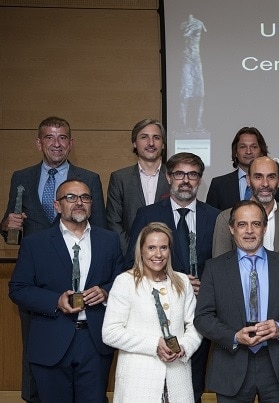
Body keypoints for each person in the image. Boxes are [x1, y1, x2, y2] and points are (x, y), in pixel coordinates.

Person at [1, 116, 106, 403]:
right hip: (39, 279)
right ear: (39, 143)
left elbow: (102, 233)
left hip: (83, 282)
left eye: (62, 138)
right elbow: (13, 225)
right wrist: (6, 225)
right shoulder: (21, 177)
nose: (56, 143)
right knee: (37, 352)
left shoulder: (90, 178)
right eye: (49, 137)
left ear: (71, 143)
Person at [8, 179, 123, 403]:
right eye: (70, 197)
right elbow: (18, 289)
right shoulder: (35, 243)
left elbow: (122, 281)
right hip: (51, 341)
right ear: (57, 205)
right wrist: (55, 300)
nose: (79, 202)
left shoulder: (109, 241)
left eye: (85, 197)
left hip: (94, 343)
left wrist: (106, 292)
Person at [126, 152, 220, 403]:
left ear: (200, 179)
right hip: (153, 317)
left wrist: (208, 287)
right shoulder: (147, 215)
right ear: (168, 177)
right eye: (179, 174)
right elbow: (131, 263)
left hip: (197, 316)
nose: (185, 180)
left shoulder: (216, 216)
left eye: (192, 175)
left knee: (191, 388)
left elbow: (224, 265)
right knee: (152, 388)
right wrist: (173, 281)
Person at [194, 200, 279, 402]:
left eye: (256, 224)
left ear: (265, 227)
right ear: (231, 229)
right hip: (230, 366)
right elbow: (203, 317)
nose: (249, 231)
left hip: (276, 366)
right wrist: (234, 336)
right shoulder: (215, 268)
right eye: (242, 224)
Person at [103, 222, 202, 402]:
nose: (158, 254)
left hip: (178, 379)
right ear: (141, 251)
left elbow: (195, 325)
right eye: (151, 248)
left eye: (163, 247)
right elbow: (110, 333)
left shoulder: (182, 282)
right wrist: (154, 344)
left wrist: (185, 346)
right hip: (137, 383)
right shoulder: (125, 282)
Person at [212, 156, 279, 258]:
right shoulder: (226, 218)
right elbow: (219, 267)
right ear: (248, 180)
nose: (265, 184)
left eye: (271, 177)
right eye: (258, 177)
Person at [106, 118, 170, 255]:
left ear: (163, 144)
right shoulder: (120, 178)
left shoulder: (174, 177)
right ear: (134, 143)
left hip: (169, 258)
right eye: (144, 137)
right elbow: (114, 223)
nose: (151, 143)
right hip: (130, 259)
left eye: (156, 138)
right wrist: (134, 253)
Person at [206, 126, 268, 210]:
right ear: (235, 152)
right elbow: (211, 218)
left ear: (261, 151)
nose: (248, 151)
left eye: (254, 147)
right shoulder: (218, 185)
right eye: (243, 147)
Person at [180, 14, 207, 131]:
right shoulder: (184, 25)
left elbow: (187, 34)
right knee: (184, 95)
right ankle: (183, 125)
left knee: (200, 95)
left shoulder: (198, 24)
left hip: (196, 61)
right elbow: (185, 34)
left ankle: (198, 124)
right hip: (187, 62)